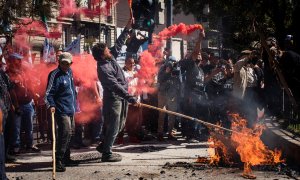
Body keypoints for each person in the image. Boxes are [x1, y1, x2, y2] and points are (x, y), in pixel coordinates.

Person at [92, 17, 139, 162]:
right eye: (106, 49)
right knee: (114, 126)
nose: (109, 49)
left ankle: (104, 145)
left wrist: (127, 27)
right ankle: (107, 153)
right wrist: (129, 97)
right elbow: (114, 86)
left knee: (120, 125)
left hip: (121, 98)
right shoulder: (103, 68)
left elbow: (119, 44)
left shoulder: (110, 58)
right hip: (113, 99)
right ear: (102, 54)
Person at [45, 52, 78, 172]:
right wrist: (51, 105)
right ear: (59, 62)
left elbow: (72, 91)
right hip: (61, 109)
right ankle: (58, 160)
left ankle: (66, 158)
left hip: (71, 109)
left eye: (67, 63)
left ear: (71, 64)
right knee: (65, 132)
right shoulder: (54, 75)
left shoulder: (70, 73)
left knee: (71, 133)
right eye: (63, 63)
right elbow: (48, 93)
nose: (65, 65)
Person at [157, 56, 181, 141]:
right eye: (171, 62)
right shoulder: (163, 68)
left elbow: (179, 81)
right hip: (162, 93)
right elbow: (159, 79)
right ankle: (160, 133)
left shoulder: (177, 68)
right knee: (162, 114)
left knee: (172, 115)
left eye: (174, 62)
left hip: (172, 94)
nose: (172, 64)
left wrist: (178, 93)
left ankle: (170, 133)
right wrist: (167, 72)